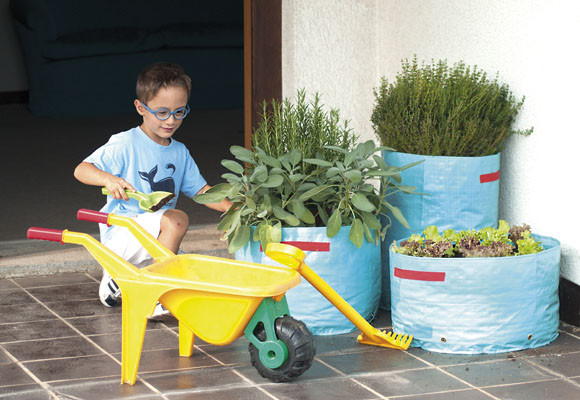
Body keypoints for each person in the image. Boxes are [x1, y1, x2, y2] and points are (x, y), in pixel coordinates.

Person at [74, 62, 231, 315]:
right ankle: (156, 294)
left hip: (156, 237)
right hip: (122, 234)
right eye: (162, 112)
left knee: (189, 268)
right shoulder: (125, 143)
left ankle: (117, 279)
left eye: (179, 112)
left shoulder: (179, 152)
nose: (171, 120)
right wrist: (108, 179)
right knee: (176, 220)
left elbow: (202, 191)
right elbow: (81, 169)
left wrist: (234, 209)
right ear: (140, 108)